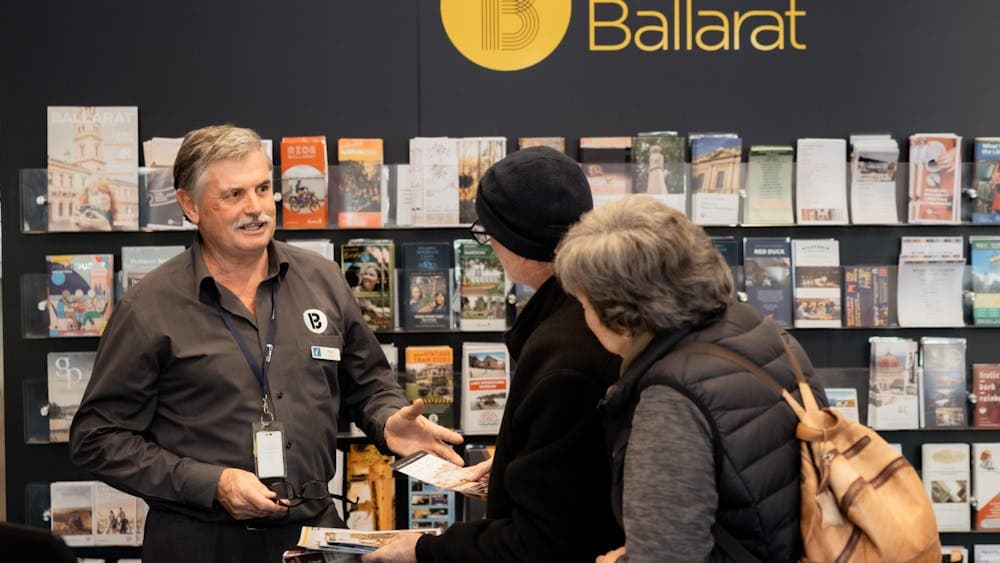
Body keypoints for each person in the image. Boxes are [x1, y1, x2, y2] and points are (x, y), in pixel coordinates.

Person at [69, 125, 463, 563]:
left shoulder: (323, 279)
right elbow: (97, 438)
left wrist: (388, 420)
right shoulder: (149, 308)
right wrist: (211, 484)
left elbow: (369, 383)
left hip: (314, 538)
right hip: (201, 542)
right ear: (189, 204)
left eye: (262, 188)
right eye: (234, 194)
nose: (256, 208)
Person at [366, 146, 624, 562]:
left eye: (487, 233)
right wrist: (514, 467)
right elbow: (579, 471)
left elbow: (544, 542)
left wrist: (426, 550)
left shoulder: (562, 355)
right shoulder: (599, 312)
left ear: (518, 243)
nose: (489, 246)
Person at [553, 195, 827, 562]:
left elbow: (666, 554)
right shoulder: (766, 334)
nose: (583, 319)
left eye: (584, 306)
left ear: (621, 316)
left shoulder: (671, 398)